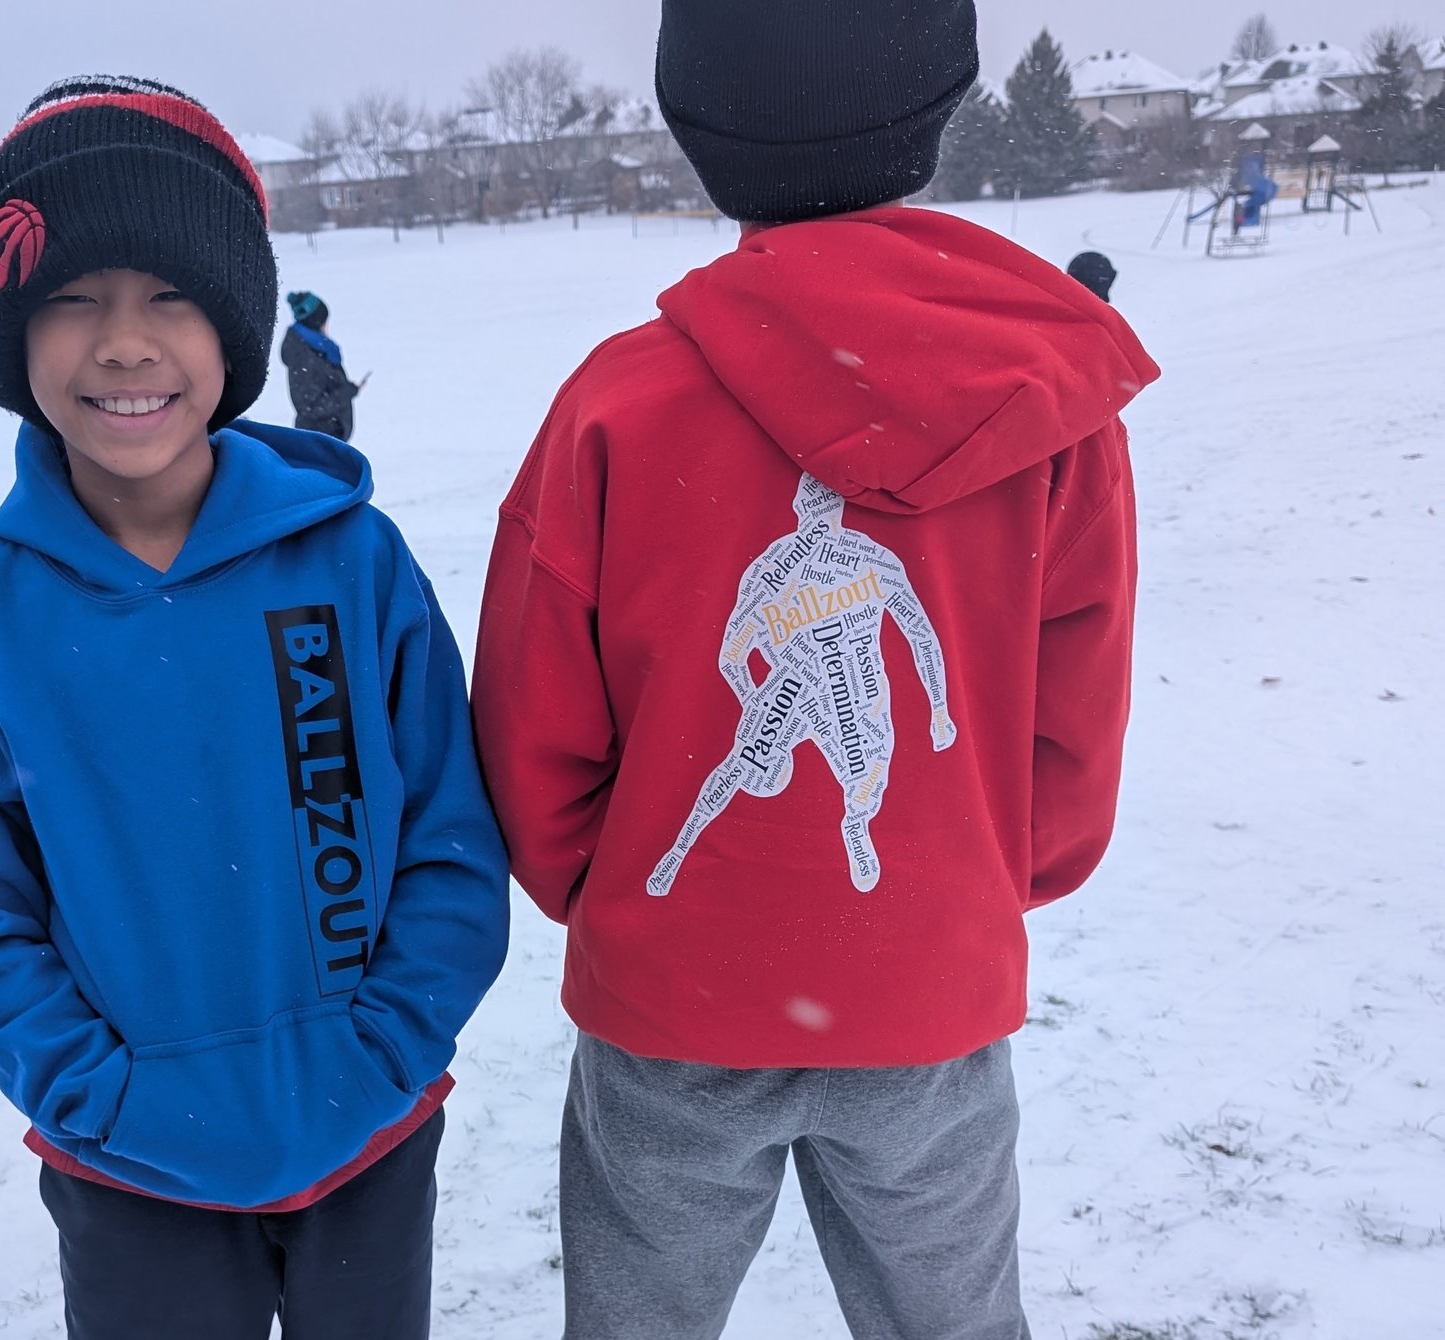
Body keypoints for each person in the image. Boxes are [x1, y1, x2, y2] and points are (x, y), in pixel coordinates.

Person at [470, 2, 1161, 1336]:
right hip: (928, 992)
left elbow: (532, 721)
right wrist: (975, 882)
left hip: (676, 1004)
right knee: (950, 1317)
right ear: (941, 103)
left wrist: (620, 896)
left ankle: (761, 838)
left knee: (640, 1317)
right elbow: (1075, 704)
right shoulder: (1042, 409)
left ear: (696, 127)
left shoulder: (615, 407)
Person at [0, 75, 509, 1340]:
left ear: (235, 330)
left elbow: (453, 831)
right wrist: (100, 1094)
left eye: (171, 294)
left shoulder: (354, 562)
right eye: (73, 299)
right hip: (133, 1170)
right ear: (13, 336)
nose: (125, 342)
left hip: (370, 1134)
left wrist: (384, 1043)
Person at [281, 290, 363, 440]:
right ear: (315, 323)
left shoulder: (317, 348)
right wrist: (347, 391)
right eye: (325, 322)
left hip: (327, 439)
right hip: (318, 443)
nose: (326, 327)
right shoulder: (302, 357)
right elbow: (310, 407)